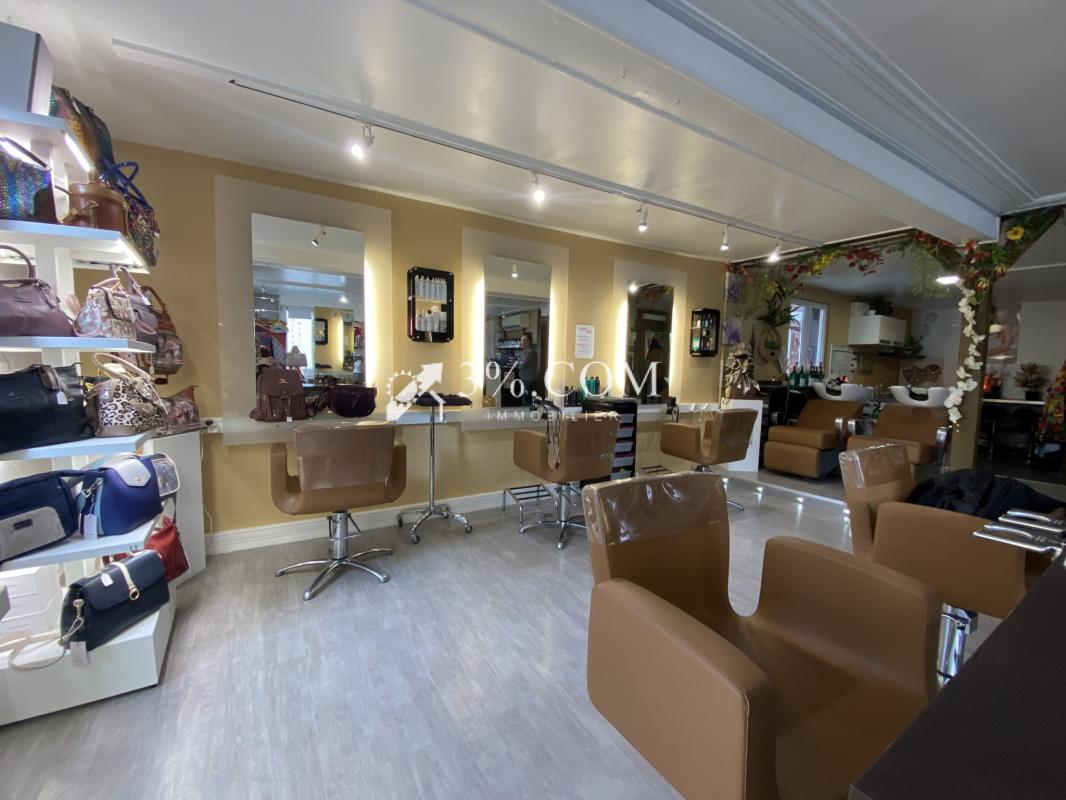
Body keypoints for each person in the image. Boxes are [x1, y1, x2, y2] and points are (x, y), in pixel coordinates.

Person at [517, 332, 540, 406]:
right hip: (525, 381)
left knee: (527, 402)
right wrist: (519, 362)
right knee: (525, 400)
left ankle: (527, 413)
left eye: (523, 340)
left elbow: (521, 366)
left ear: (528, 342)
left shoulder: (531, 353)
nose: (521, 342)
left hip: (529, 382)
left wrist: (519, 363)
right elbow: (518, 362)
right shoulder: (524, 352)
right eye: (521, 340)